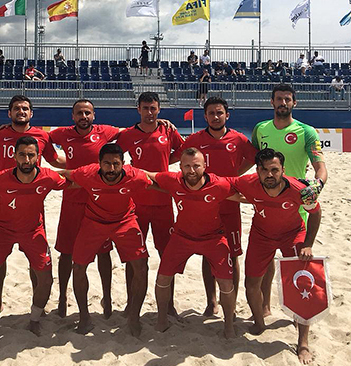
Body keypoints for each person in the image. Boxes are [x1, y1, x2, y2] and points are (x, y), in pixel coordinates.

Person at [0, 95, 66, 318]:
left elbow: (54, 161)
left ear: (31, 114)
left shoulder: (41, 136)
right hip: (2, 205)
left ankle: (36, 307)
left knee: (36, 262)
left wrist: (87, 164)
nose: (21, 112)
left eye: (25, 109)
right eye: (16, 109)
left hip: (32, 205)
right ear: (9, 113)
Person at [229, 148, 322, 364]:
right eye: (264, 170)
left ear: (283, 170)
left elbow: (316, 214)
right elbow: (221, 184)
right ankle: (260, 323)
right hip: (261, 235)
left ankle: (303, 343)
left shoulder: (299, 190)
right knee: (251, 283)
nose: (269, 175)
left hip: (293, 235)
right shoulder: (248, 183)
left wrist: (307, 244)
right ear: (257, 171)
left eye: (274, 170)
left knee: (302, 285)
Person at [59, 143, 152, 337]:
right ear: (99, 163)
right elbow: (64, 173)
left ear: (123, 164)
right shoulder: (87, 173)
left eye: (116, 164)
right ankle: (84, 316)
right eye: (107, 164)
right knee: (78, 266)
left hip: (125, 221)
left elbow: (157, 179)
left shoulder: (135, 176)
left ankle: (134, 317)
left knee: (141, 265)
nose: (111, 169)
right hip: (93, 221)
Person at [251, 84, 327, 320]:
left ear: (294, 103)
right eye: (279, 99)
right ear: (271, 102)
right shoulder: (260, 129)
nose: (283, 103)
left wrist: (318, 185)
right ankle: (265, 306)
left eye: (287, 99)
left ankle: (299, 314)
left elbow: (320, 166)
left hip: (296, 205)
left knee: (296, 262)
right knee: (266, 259)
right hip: (265, 204)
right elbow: (249, 161)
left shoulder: (307, 132)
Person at [147, 147, 241, 338]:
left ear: (205, 166)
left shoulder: (219, 184)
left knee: (225, 281)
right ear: (180, 166)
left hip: (213, 238)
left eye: (196, 166)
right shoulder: (173, 180)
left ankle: (229, 325)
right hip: (182, 237)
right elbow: (149, 176)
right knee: (162, 278)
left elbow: (247, 190)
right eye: (187, 166)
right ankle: (162, 320)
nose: (191, 171)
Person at [180, 97, 257, 316]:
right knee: (208, 254)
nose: (215, 116)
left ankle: (229, 303)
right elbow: (182, 161)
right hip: (205, 206)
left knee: (232, 255)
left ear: (227, 115)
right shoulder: (195, 139)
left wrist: (234, 175)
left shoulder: (239, 139)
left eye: (219, 113)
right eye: (211, 113)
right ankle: (211, 301)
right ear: (205, 116)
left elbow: (252, 160)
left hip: (230, 204)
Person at [49, 100, 120, 318]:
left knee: (103, 252)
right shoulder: (62, 134)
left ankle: (107, 299)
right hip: (72, 200)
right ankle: (62, 297)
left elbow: (134, 133)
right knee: (66, 252)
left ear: (93, 115)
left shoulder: (105, 132)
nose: (83, 116)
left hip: (99, 202)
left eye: (87, 113)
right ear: (72, 116)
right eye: (79, 113)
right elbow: (39, 138)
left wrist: (162, 122)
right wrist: (60, 162)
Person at [116, 92, 184, 317]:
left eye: (153, 108)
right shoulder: (128, 135)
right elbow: (116, 160)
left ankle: (169, 304)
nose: (149, 112)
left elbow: (182, 152)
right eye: (145, 108)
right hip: (136, 203)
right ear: (138, 109)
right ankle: (130, 302)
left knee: (167, 254)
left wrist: (164, 163)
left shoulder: (168, 130)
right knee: (134, 255)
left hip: (164, 201)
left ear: (159, 109)